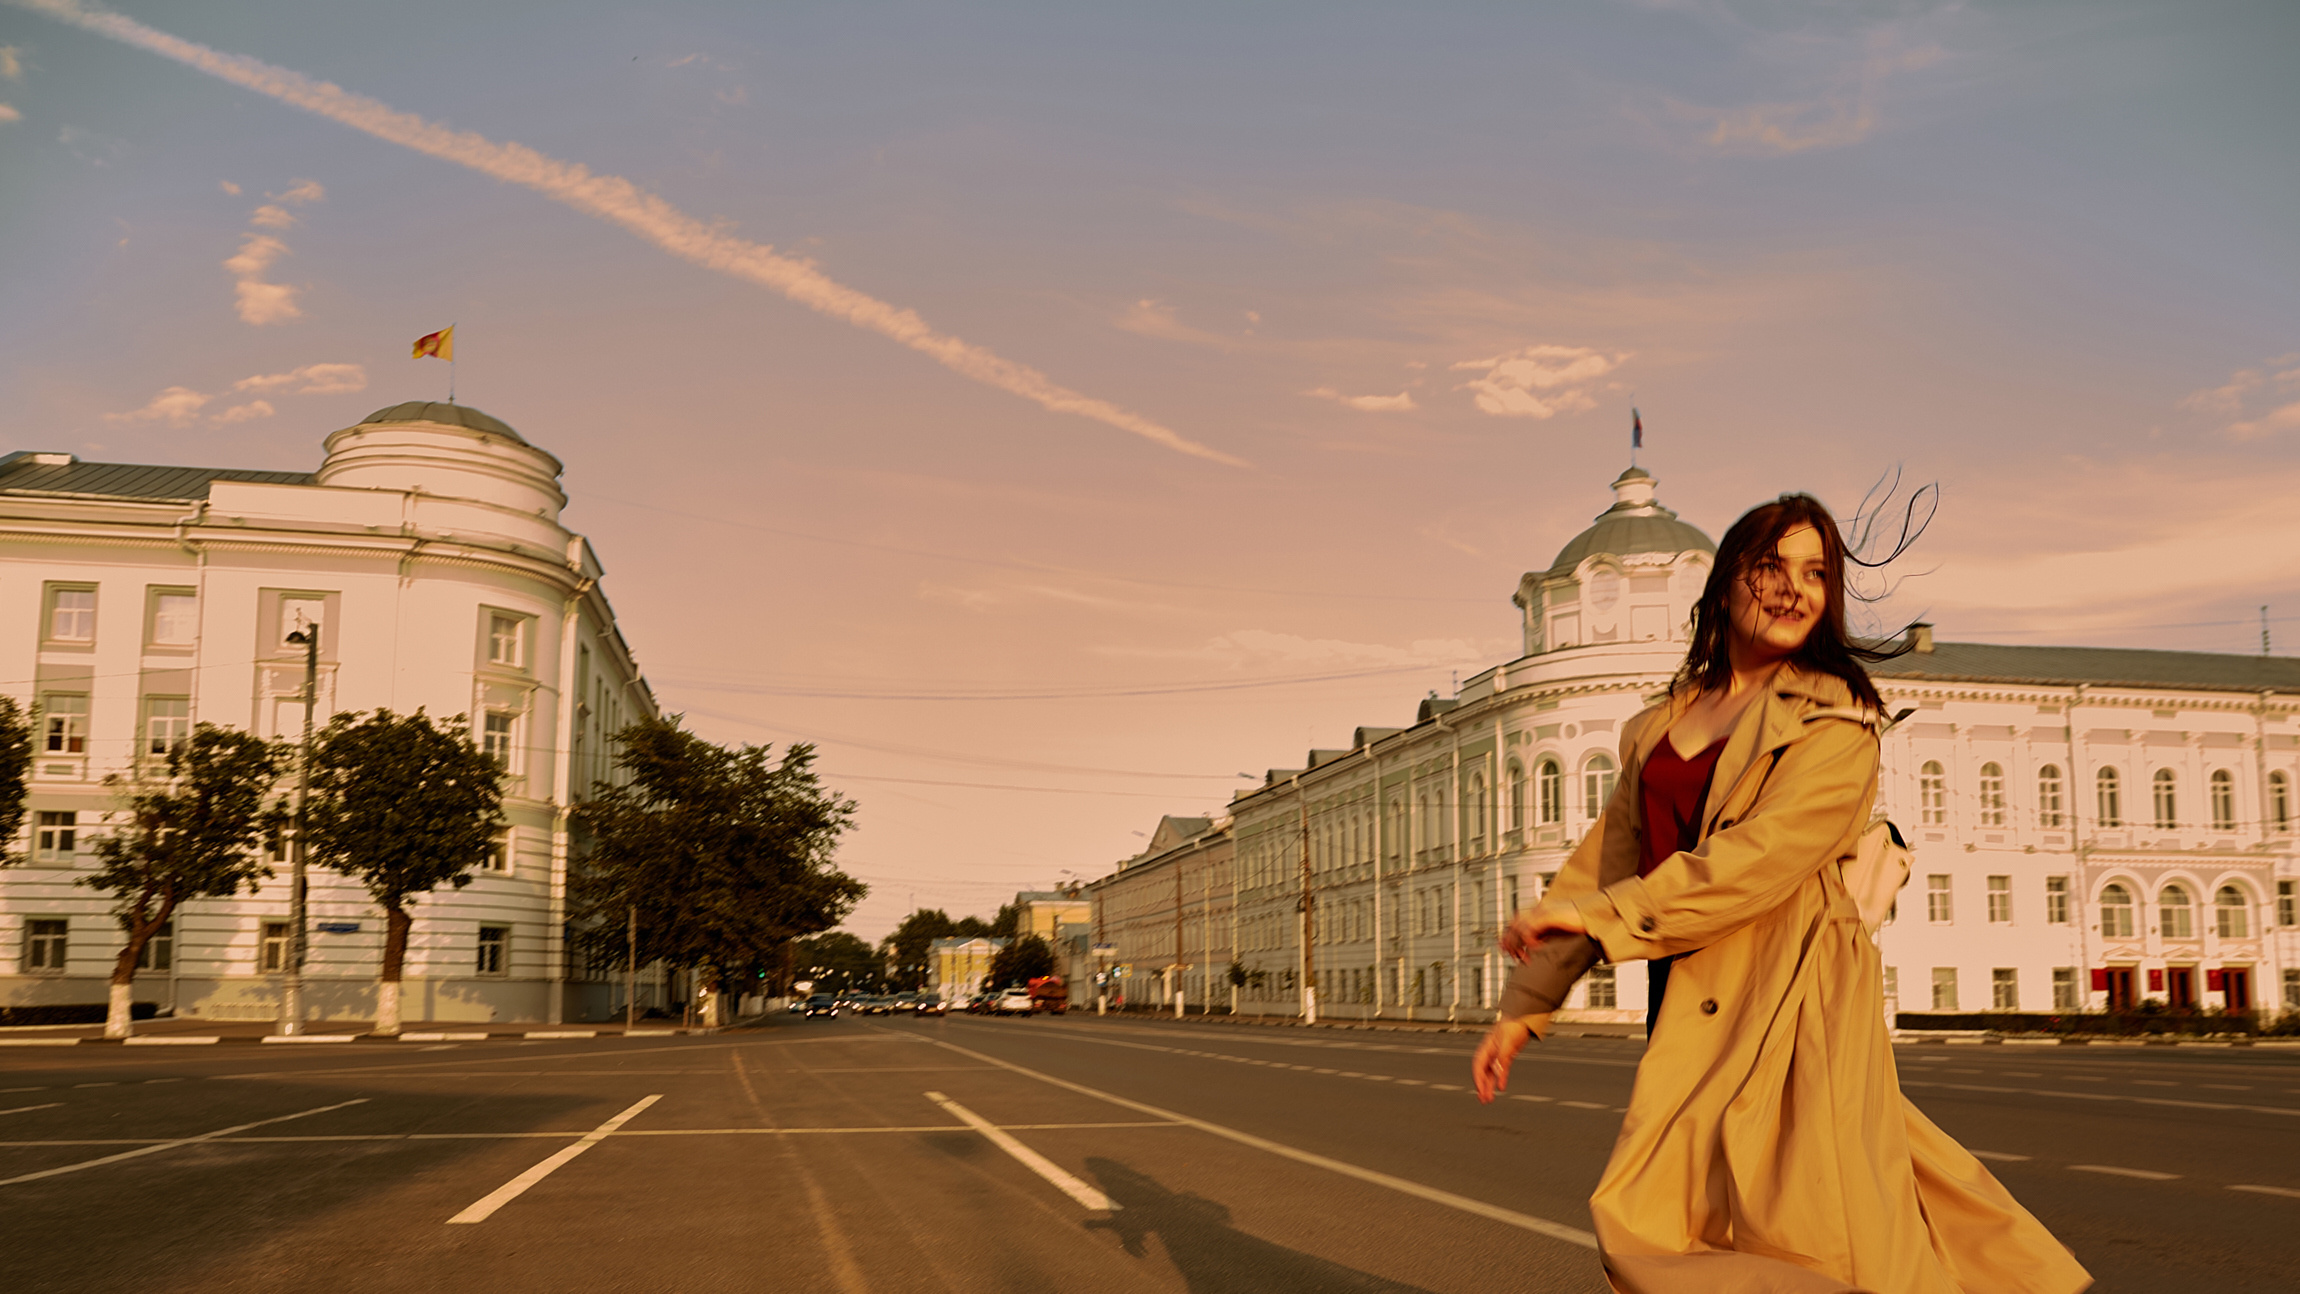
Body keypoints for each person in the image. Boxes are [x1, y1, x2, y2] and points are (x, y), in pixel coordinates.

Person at [1471, 494, 2089, 1294]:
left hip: (1795, 1004)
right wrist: (1526, 1005)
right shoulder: (1659, 726)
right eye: (1771, 567)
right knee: (1721, 1220)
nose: (1794, 589)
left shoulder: (1837, 720)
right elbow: (1605, 862)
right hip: (1694, 998)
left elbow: (1757, 860)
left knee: (1791, 1232)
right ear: (1727, 582)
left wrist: (1598, 915)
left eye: (1816, 573)